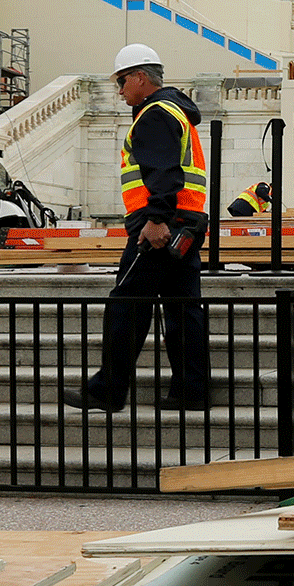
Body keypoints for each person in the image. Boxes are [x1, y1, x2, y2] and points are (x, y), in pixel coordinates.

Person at [62, 44, 210, 414]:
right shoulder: (176, 112)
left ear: (141, 78)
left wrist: (156, 219)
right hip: (186, 225)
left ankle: (107, 391)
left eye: (122, 80)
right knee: (182, 309)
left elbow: (163, 172)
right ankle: (191, 390)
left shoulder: (154, 114)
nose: (120, 89)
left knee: (126, 305)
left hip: (159, 228)